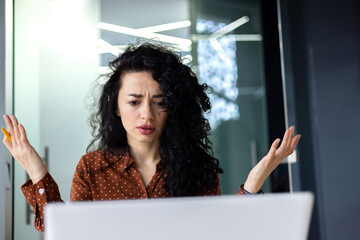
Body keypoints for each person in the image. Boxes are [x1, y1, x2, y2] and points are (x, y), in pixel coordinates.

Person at [2, 42, 301, 232]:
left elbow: (222, 231)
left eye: (159, 102)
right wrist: (33, 165)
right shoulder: (92, 169)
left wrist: (254, 183)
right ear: (116, 107)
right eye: (134, 102)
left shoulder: (198, 168)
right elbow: (67, 233)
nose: (146, 115)